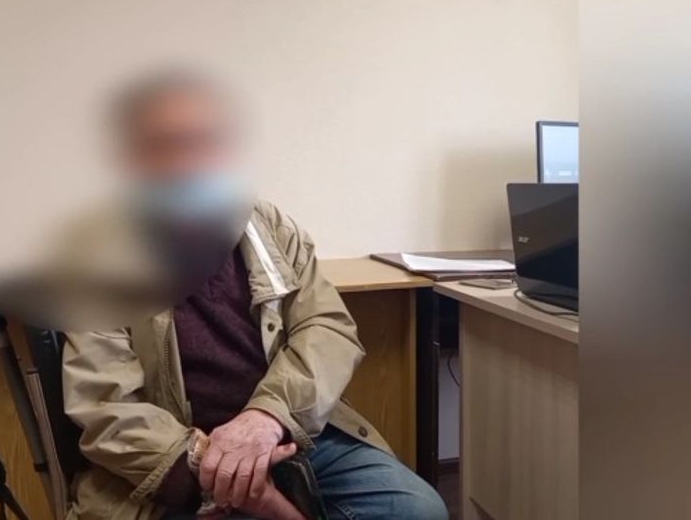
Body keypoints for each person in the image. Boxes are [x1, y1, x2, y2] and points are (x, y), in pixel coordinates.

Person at [62, 71, 448, 520]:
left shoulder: (268, 226)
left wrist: (267, 418)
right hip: (174, 456)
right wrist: (211, 464)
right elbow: (105, 406)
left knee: (418, 510)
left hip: (287, 431)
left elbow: (327, 328)